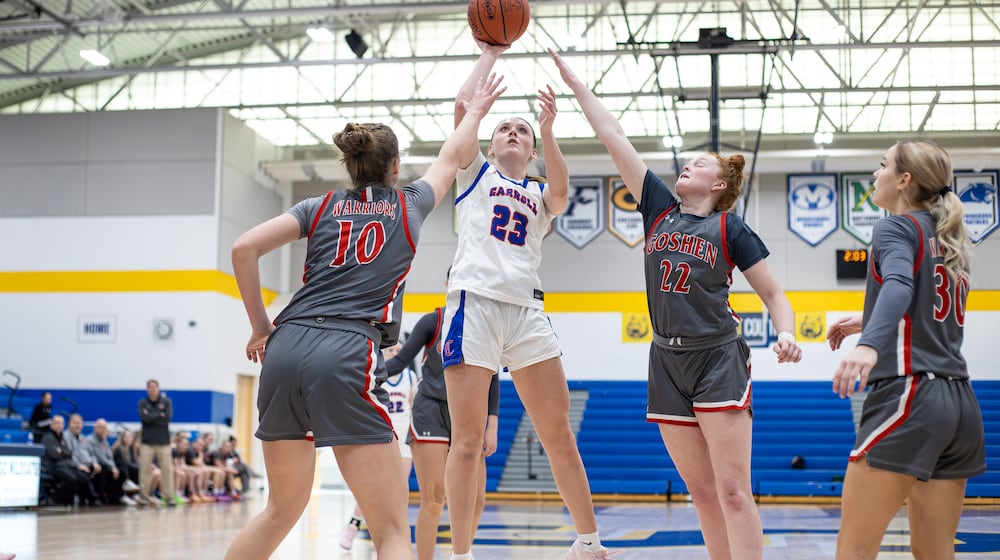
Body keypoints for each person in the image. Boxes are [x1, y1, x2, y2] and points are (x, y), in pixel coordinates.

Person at [223, 74, 505, 560]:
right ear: (395, 166)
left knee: (279, 511)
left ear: (352, 167)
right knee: (392, 530)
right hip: (347, 349)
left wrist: (260, 326)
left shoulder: (319, 206)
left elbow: (243, 248)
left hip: (285, 349)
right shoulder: (410, 203)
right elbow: (454, 155)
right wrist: (478, 101)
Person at [549, 48, 803, 560]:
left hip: (717, 358)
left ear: (720, 184)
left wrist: (786, 331)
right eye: (688, 161)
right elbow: (615, 138)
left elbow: (773, 292)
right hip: (666, 359)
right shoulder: (659, 209)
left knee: (733, 490)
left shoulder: (729, 226)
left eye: (701, 164)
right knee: (703, 492)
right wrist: (579, 89)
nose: (689, 164)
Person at [443, 42, 610, 560]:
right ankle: (462, 553)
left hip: (526, 311)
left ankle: (587, 543)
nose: (512, 133)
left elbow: (561, 194)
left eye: (522, 131)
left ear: (532, 150)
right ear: (489, 145)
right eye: (504, 129)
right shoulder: (474, 174)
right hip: (474, 303)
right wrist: (489, 59)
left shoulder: (539, 191)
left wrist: (551, 129)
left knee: (558, 433)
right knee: (467, 442)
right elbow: (459, 110)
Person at [827, 140, 985, 560]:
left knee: (854, 549)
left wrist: (868, 345)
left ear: (904, 179)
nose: (875, 174)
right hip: (960, 405)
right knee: (934, 552)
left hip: (911, 398)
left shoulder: (894, 227)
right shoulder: (950, 241)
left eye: (882, 166)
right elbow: (923, 307)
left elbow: (899, 286)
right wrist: (870, 316)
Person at [339, 342, 418, 551]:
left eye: (399, 351)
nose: (395, 353)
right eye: (391, 350)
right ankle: (354, 525)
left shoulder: (409, 377)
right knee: (374, 491)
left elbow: (413, 404)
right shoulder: (376, 376)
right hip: (381, 440)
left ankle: (394, 534)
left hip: (403, 443)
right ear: (383, 353)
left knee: (401, 491)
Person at [40, 415, 99, 506]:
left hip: (64, 465)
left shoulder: (61, 438)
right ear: (51, 424)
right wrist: (62, 453)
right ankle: (55, 499)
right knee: (72, 479)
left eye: (61, 423)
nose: (59, 425)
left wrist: (61, 452)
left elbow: (67, 454)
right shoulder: (48, 437)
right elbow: (54, 456)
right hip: (52, 467)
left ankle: (83, 499)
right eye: (57, 423)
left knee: (83, 477)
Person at [138, 379, 177, 506]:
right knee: (144, 470)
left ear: (158, 388)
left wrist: (152, 416)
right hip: (147, 442)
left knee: (167, 470)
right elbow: (145, 418)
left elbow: (167, 419)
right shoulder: (142, 403)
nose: (153, 389)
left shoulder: (166, 402)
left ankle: (169, 497)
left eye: (155, 387)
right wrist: (158, 415)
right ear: (147, 389)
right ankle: (144, 497)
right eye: (150, 387)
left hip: (164, 442)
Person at [87, 418, 134, 505]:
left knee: (121, 471)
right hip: (96, 466)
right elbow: (98, 456)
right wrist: (111, 467)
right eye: (100, 427)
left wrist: (114, 467)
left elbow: (110, 456)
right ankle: (99, 496)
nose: (103, 429)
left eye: (104, 427)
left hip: (106, 465)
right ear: (95, 428)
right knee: (104, 469)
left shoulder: (104, 441)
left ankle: (116, 497)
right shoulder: (90, 440)